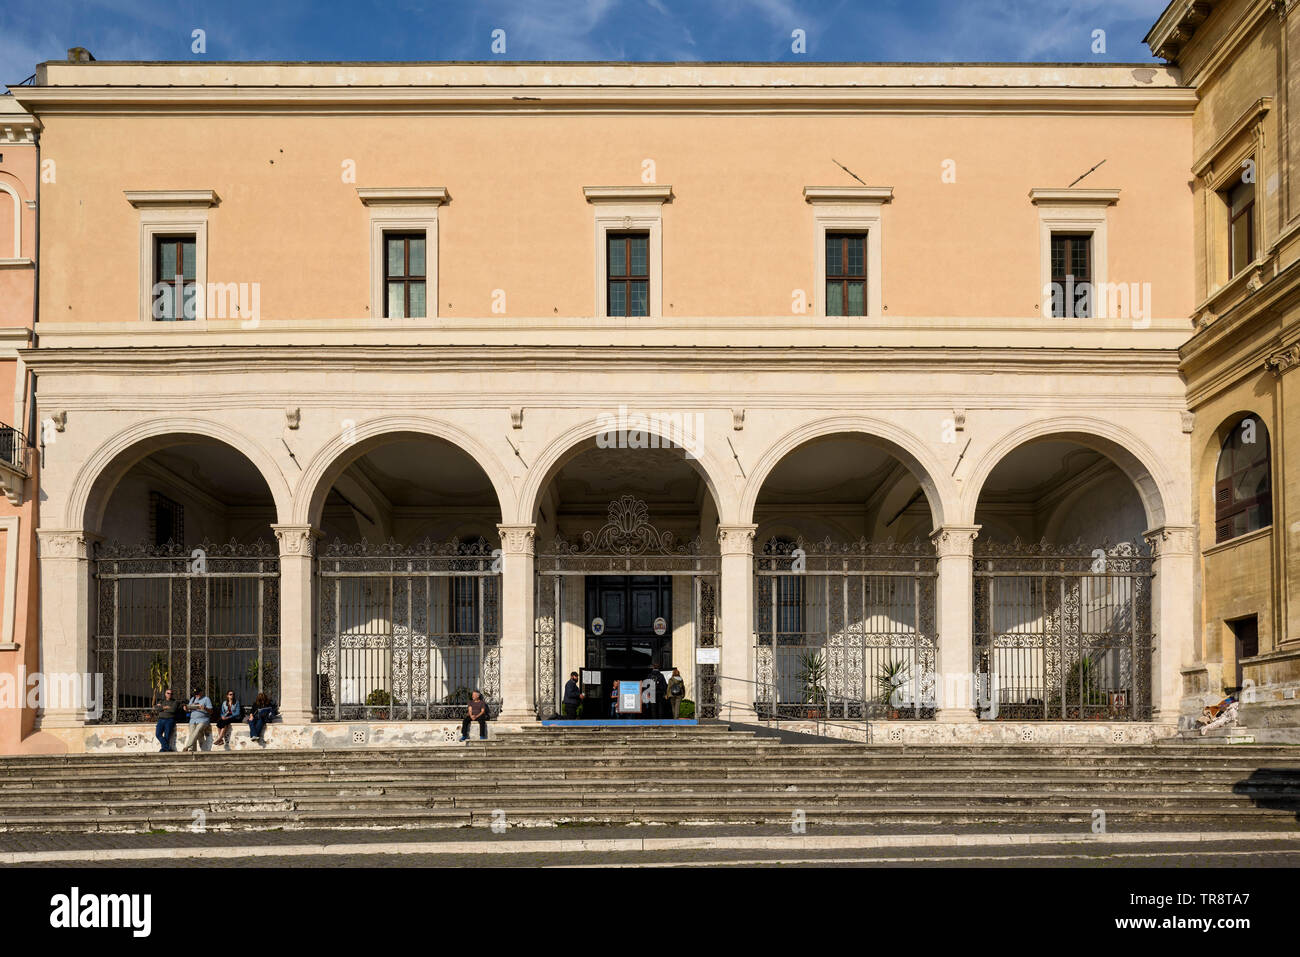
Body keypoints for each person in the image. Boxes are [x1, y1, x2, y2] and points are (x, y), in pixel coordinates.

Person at [180, 687, 213, 752]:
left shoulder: (206, 699)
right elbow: (189, 710)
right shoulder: (192, 699)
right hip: (192, 720)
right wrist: (186, 709)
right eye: (195, 694)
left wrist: (205, 708)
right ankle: (192, 750)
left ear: (201, 692)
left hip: (203, 720)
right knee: (192, 733)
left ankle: (187, 746)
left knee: (197, 731)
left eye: (198, 693)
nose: (196, 695)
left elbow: (211, 711)